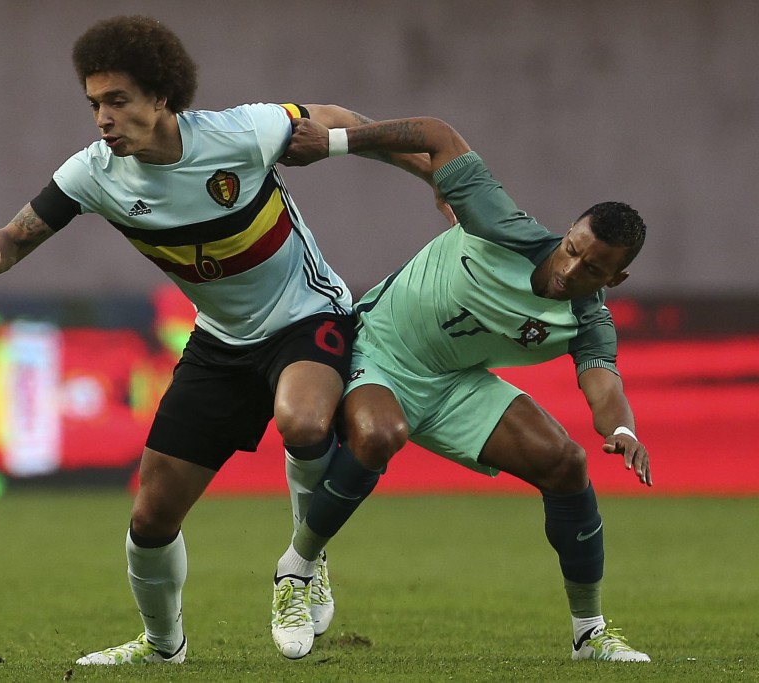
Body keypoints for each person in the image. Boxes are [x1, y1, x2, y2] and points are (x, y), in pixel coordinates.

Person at [0, 15, 425, 665]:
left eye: (118, 100)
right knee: (150, 517)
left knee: (304, 419)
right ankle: (161, 644)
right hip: (221, 344)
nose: (103, 119)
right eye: (94, 104)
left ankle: (304, 564)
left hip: (309, 316)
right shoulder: (94, 173)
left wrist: (435, 176)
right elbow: (22, 232)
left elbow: (335, 116)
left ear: (162, 97)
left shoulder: (240, 133)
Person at [271, 115, 653, 663]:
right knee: (381, 433)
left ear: (615, 280)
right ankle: (297, 568)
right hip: (379, 349)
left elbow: (603, 386)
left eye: (593, 268)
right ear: (568, 231)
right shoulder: (500, 221)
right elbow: (437, 134)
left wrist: (621, 430)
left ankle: (589, 633)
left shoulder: (588, 320)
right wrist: (334, 142)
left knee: (566, 463)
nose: (570, 269)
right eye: (572, 248)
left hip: (454, 385)